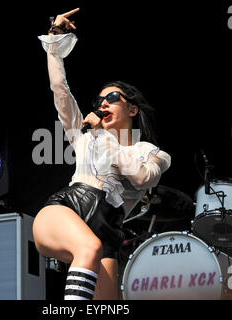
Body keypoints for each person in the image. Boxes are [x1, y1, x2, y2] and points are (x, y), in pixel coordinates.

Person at [32, 8, 171, 300]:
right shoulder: (84, 137)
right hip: (66, 208)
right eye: (99, 100)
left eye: (112, 98)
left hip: (107, 232)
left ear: (132, 109)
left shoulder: (151, 152)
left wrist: (102, 136)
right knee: (88, 248)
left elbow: (143, 177)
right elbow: (60, 89)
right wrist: (56, 39)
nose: (103, 104)